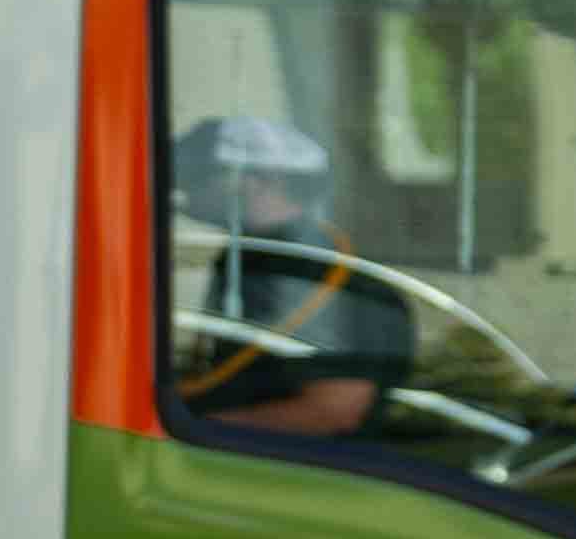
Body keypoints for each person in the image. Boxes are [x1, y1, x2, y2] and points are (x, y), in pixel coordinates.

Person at [167, 111, 419, 438]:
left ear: (259, 181)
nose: (183, 186)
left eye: (200, 174)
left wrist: (187, 428)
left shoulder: (321, 275)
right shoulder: (251, 259)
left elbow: (331, 411)